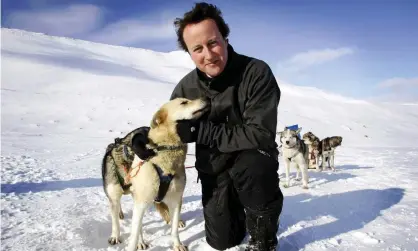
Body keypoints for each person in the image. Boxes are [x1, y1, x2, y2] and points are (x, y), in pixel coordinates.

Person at [132, 2, 283, 251]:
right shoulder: (186, 88)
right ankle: (238, 208)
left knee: (254, 168)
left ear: (224, 38)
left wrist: (202, 132)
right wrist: (140, 137)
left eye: (213, 43)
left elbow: (260, 133)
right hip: (214, 167)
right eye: (198, 48)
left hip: (253, 160)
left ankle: (263, 237)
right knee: (221, 241)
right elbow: (165, 121)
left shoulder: (255, 72)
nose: (208, 54)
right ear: (190, 53)